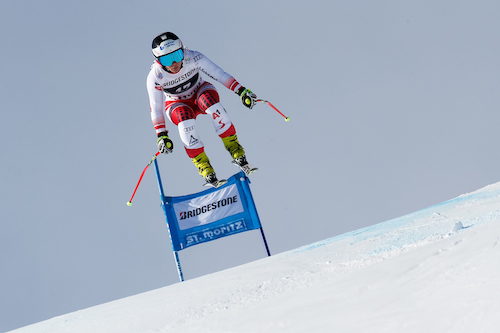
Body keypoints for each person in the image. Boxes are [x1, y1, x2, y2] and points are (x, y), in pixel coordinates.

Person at [146, 32, 258, 187]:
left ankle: (236, 150)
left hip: (200, 91)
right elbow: (156, 107)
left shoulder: (193, 57)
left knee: (213, 106)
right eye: (166, 59)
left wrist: (241, 91)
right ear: (158, 61)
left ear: (183, 52)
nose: (173, 63)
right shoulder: (155, 76)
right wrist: (162, 135)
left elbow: (218, 74)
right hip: (177, 103)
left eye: (177, 55)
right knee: (185, 123)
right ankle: (204, 166)